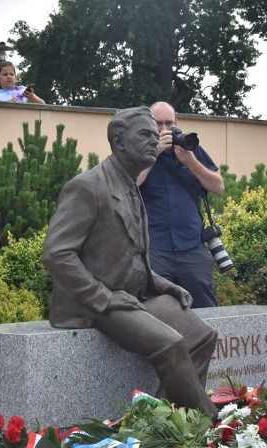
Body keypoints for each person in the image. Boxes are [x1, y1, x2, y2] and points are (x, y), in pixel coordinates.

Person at [42, 106, 218, 416]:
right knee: (171, 343)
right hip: (95, 302)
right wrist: (105, 297)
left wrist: (163, 284)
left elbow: (131, 254)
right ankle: (210, 423)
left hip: (135, 295)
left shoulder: (129, 183)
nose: (155, 140)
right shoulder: (88, 186)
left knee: (202, 336)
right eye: (146, 135)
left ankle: (163, 422)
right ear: (120, 142)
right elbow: (57, 254)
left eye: (156, 135)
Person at [136, 102, 224, 308]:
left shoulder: (190, 147)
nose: (165, 130)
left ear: (178, 123)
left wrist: (191, 162)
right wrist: (153, 154)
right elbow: (127, 185)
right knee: (159, 309)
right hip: (154, 248)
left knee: (206, 308)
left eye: (169, 123)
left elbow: (218, 186)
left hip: (191, 245)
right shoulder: (138, 151)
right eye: (158, 124)